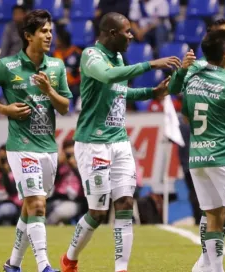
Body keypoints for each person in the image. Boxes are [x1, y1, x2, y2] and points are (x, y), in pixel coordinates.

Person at [59, 12, 181, 272]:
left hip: (119, 140)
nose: (131, 36)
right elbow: (107, 77)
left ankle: (121, 269)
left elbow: (120, 92)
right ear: (112, 33)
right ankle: (69, 259)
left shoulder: (117, 58)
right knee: (98, 211)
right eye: (126, 32)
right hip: (93, 142)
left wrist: (152, 92)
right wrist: (151, 65)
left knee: (125, 203)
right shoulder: (91, 56)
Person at [0, 9, 73, 272]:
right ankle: (44, 266)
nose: (50, 35)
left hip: (48, 147)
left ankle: (13, 264)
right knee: (37, 204)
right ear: (29, 36)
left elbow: (64, 108)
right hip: (21, 147)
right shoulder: (8, 66)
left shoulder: (57, 66)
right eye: (44, 31)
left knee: (31, 207)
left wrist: (48, 90)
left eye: (50, 30)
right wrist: (3, 110)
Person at [168, 18, 225, 272]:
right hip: (224, 153)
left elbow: (185, 113)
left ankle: (212, 267)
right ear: (223, 48)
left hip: (198, 155)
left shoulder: (195, 76)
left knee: (214, 213)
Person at [46, 139, 85, 225]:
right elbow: (50, 182)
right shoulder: (60, 166)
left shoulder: (83, 164)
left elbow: (85, 183)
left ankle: (45, 229)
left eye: (73, 154)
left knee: (60, 212)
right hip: (57, 199)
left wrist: (74, 166)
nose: (70, 157)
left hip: (76, 202)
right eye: (68, 155)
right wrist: (58, 164)